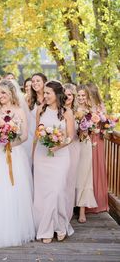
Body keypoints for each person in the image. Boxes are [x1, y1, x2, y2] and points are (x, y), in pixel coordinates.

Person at [0, 79, 35, 248]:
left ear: (11, 94)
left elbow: (24, 136)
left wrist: (11, 143)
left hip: (15, 154)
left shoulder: (19, 110)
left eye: (4, 93)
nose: (1, 96)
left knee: (15, 190)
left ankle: (16, 229)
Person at [33, 81, 75, 243]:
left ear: (57, 94)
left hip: (60, 156)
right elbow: (37, 134)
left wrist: (58, 146)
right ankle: (46, 229)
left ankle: (60, 225)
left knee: (57, 191)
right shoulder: (40, 110)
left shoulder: (67, 112)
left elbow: (70, 136)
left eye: (48, 93)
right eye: (44, 93)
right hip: (42, 155)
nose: (45, 96)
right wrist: (33, 155)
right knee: (43, 193)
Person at [75, 85, 97, 223]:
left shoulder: (91, 112)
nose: (81, 98)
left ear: (87, 97)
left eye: (84, 95)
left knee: (84, 175)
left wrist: (89, 127)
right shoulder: (70, 110)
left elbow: (93, 130)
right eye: (79, 95)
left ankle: (82, 210)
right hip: (73, 144)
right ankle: (70, 206)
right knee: (72, 174)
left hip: (85, 144)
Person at [86, 82, 109, 213]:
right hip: (88, 138)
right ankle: (87, 203)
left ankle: (99, 202)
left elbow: (105, 122)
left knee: (98, 167)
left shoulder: (100, 106)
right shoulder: (85, 106)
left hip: (98, 140)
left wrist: (105, 125)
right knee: (88, 168)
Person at [64, 83, 81, 221]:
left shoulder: (78, 112)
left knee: (70, 180)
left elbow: (80, 133)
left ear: (73, 96)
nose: (67, 97)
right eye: (64, 94)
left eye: (69, 94)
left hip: (73, 147)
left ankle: (68, 213)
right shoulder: (58, 110)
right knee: (60, 179)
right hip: (60, 148)